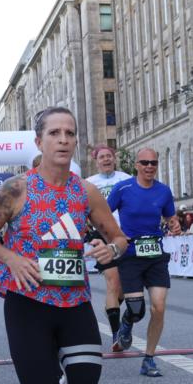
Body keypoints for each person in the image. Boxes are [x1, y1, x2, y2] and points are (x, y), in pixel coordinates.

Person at [0, 106, 127, 384]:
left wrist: (111, 249)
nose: (63, 140)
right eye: (55, 133)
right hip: (27, 303)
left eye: (70, 133)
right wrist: (12, 258)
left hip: (74, 304)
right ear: (39, 141)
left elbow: (118, 237)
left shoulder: (85, 191)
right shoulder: (16, 189)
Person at [106, 147, 182, 376]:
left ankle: (149, 358)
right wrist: (116, 235)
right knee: (136, 310)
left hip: (155, 256)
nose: (149, 167)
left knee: (159, 307)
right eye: (145, 162)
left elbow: (170, 217)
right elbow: (103, 215)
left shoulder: (164, 191)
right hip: (130, 256)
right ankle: (126, 324)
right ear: (136, 165)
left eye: (153, 163)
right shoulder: (123, 188)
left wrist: (174, 224)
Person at [85, 145, 132, 346]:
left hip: (125, 234)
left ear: (114, 159)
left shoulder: (126, 179)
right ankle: (116, 335)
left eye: (108, 156)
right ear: (96, 162)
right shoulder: (89, 183)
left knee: (122, 289)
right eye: (102, 157)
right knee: (112, 282)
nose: (105, 160)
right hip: (102, 235)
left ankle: (113, 310)